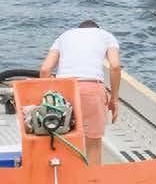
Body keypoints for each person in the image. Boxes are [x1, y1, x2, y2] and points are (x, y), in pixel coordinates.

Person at [39, 19, 122, 155]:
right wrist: (114, 99)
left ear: (78, 29)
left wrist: (49, 99)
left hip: (63, 90)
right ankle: (93, 170)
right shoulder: (106, 36)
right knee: (93, 145)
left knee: (63, 138)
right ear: (97, 29)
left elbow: (45, 70)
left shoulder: (64, 36)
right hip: (91, 89)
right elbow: (115, 66)